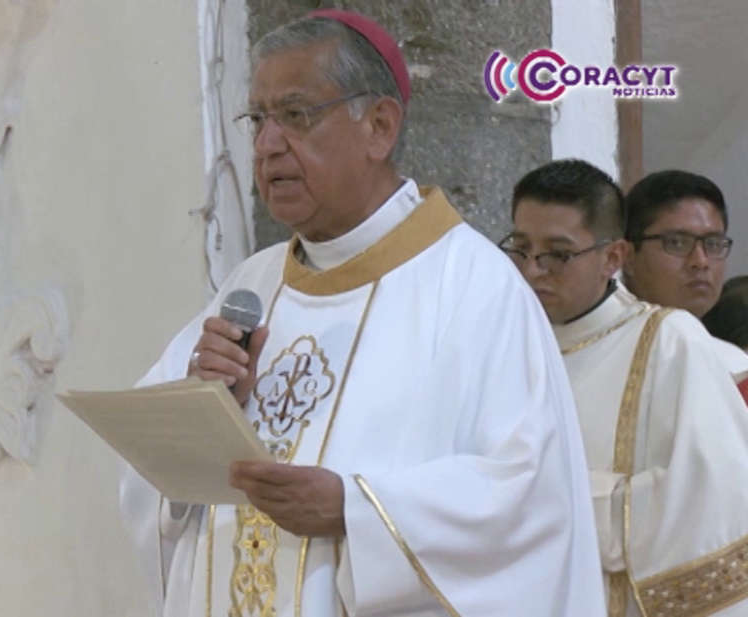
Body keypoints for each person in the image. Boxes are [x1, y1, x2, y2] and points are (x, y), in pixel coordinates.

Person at [119, 11, 604, 617]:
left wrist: (357, 510)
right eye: (258, 118)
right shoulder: (252, 283)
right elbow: (147, 476)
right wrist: (203, 404)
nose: (268, 144)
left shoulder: (474, 287)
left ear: (379, 126)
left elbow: (532, 501)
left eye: (296, 115)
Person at [502, 158, 748, 617]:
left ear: (613, 257)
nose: (534, 270)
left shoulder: (668, 341)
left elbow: (708, 500)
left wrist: (529, 505)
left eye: (558, 253)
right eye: (521, 248)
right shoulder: (502, 346)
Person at [622, 169, 748, 387]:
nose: (701, 261)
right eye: (677, 242)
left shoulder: (736, 368)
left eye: (713, 244)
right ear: (628, 256)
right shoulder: (604, 352)